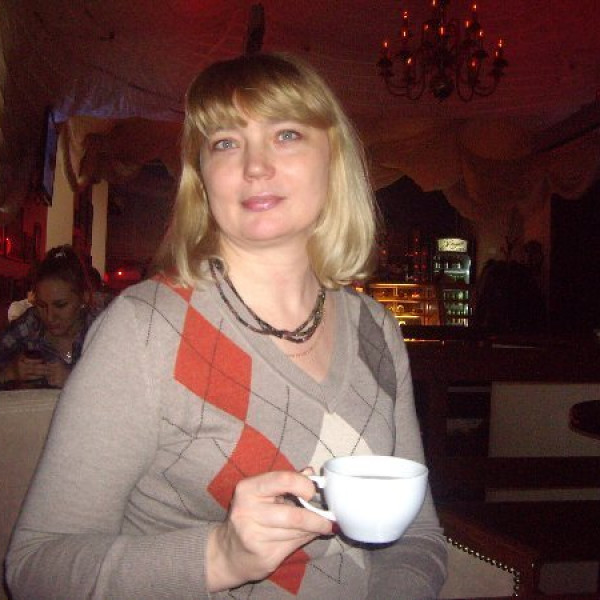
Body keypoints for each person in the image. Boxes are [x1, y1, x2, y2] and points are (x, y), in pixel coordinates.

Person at [6, 53, 447, 598]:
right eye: (225, 143)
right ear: (202, 180)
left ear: (334, 161)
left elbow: (417, 536)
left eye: (286, 134)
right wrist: (220, 555)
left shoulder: (377, 329)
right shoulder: (144, 331)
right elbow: (36, 567)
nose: (255, 166)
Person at [0, 245, 97, 388]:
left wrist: (75, 381)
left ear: (84, 298)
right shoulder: (30, 324)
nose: (50, 317)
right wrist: (9, 373)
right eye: (41, 305)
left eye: (60, 305)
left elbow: (124, 387)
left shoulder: (102, 329)